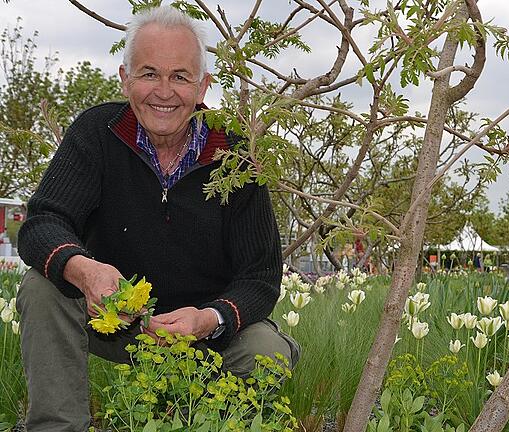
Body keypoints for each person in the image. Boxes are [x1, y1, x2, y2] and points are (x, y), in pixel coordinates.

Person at [16, 7, 298, 432]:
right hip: (116, 321)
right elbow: (41, 223)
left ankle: (192, 422)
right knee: (42, 285)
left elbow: (260, 277)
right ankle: (58, 426)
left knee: (268, 351)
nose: (163, 92)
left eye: (180, 77)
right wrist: (83, 268)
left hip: (202, 333)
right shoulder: (97, 132)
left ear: (203, 86)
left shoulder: (237, 155)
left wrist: (210, 318)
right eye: (148, 73)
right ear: (125, 78)